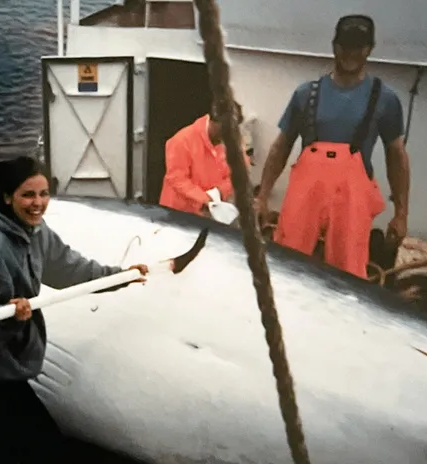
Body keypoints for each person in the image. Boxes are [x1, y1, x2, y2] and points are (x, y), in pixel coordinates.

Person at [0, 156, 149, 464]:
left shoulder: (34, 231)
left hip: (2, 358)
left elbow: (70, 268)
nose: (38, 203)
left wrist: (120, 277)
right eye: (28, 195)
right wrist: (11, 318)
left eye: (44, 193)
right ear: (8, 196)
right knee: (42, 445)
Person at [254, 14, 411, 279]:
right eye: (345, 44)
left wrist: (401, 214)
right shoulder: (305, 94)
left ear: (370, 49)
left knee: (349, 273)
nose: (350, 52)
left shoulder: (386, 99)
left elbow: (397, 155)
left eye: (359, 46)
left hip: (353, 200)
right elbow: (281, 147)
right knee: (286, 266)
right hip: (306, 194)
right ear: (334, 46)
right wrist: (263, 196)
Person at [159, 101, 252, 218]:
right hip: (177, 215)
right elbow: (177, 179)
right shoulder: (181, 141)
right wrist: (204, 199)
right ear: (214, 122)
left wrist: (219, 192)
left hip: (212, 215)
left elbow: (240, 172)